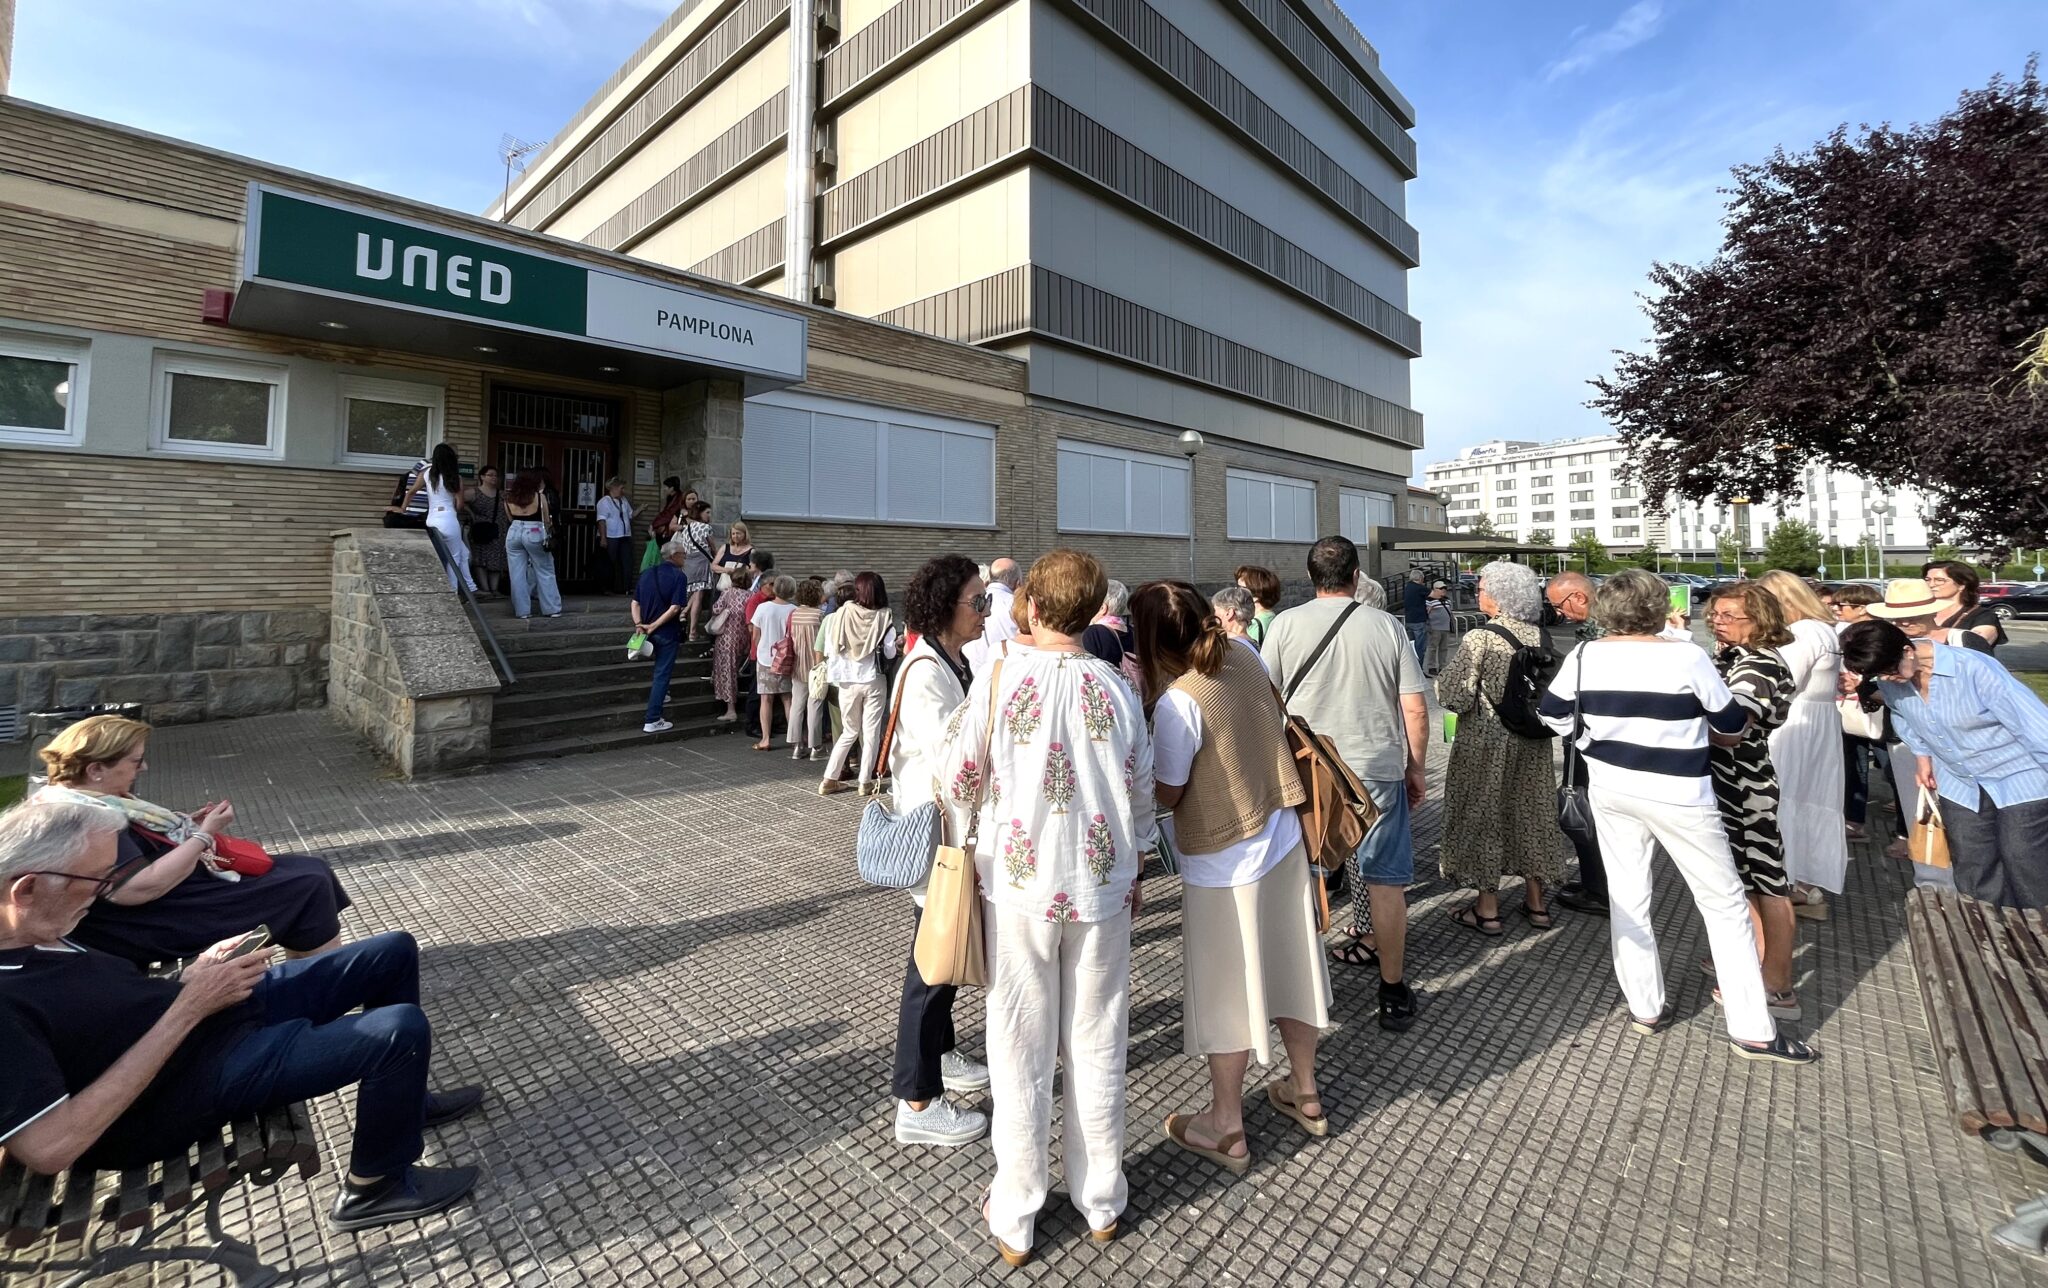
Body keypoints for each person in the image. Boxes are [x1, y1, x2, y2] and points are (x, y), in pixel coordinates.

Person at [0, 799, 485, 1231]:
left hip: (198, 1024)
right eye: (98, 880)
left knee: (392, 951)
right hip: (176, 1092)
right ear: (26, 889)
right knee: (397, 1031)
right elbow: (52, 1147)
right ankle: (375, 1186)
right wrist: (187, 1009)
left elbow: (107, 1010)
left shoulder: (39, 931)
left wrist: (190, 979)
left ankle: (407, 1107)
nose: (105, 892)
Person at [937, 550, 1155, 1265]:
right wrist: (1138, 859)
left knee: (1018, 1043)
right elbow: (1142, 787)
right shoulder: (1117, 685)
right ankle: (1102, 1198)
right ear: (1093, 610)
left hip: (1019, 881)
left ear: (1031, 606)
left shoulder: (1001, 675)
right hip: (1101, 880)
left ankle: (1018, 1208)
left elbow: (958, 777)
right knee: (1099, 1037)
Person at [1537, 569, 1815, 1065]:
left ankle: (1645, 1006)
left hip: (1613, 788)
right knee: (1723, 904)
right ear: (1657, 608)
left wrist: (1591, 743)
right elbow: (1730, 724)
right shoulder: (1686, 657)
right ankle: (1752, 1029)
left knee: (1628, 896)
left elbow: (1551, 714)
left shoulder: (1584, 655)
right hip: (1681, 792)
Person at [1132, 581, 1329, 1175]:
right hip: (1282, 831)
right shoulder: (1245, 652)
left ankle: (1226, 1124)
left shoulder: (1179, 701)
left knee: (1227, 991)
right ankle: (1306, 1090)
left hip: (1223, 856)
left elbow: (1170, 791)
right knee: (1294, 966)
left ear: (1151, 641)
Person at [1262, 536, 1426, 1033]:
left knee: (1303, 873)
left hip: (1311, 768)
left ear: (1311, 577)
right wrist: (1416, 767)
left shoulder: (1285, 624)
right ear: (1356, 576)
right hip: (1374, 764)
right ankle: (1392, 990)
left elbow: (1266, 700)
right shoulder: (1386, 626)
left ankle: (1297, 990)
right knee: (1384, 880)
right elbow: (1415, 707)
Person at [32, 716, 351, 964]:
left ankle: (314, 979)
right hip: (154, 922)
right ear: (96, 769)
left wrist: (186, 826)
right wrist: (203, 834)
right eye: (135, 761)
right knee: (307, 884)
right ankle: (325, 984)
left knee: (311, 871)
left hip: (169, 901)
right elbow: (136, 889)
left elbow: (140, 851)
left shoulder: (84, 800)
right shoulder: (85, 818)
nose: (144, 767)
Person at [886, 555, 992, 1148]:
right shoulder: (926, 671)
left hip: (953, 835)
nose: (985, 612)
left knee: (941, 958)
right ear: (945, 606)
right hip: (938, 839)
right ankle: (917, 1099)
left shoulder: (955, 659)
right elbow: (955, 762)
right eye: (977, 602)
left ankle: (943, 1053)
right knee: (931, 968)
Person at [1843, 620, 2048, 908]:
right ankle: (1988, 928)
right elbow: (1903, 716)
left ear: (1908, 650)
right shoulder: (1891, 681)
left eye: (1889, 671)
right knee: (1972, 863)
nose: (1887, 680)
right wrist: (1922, 757)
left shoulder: (1973, 668)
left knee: (2023, 857)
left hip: (2019, 777)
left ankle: (2037, 930)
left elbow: (2034, 725)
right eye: (1878, 675)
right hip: (1959, 781)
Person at [1435, 562, 1560, 935]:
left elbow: (1454, 695)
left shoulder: (1481, 638)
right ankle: (1536, 903)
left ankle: (1487, 909)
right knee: (1533, 814)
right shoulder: (1540, 635)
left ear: (1500, 597)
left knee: (1484, 813)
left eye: (1482, 588)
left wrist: (1441, 684)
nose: (1478, 593)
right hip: (1533, 742)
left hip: (1487, 741)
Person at [1703, 583, 1802, 1019]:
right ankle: (1753, 959)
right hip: (1730, 781)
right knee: (1744, 879)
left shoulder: (1758, 665)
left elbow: (1731, 729)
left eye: (1729, 615)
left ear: (1759, 620)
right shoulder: (1735, 658)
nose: (1717, 622)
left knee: (1765, 879)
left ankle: (1776, 982)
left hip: (1744, 784)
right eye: (1715, 614)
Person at [1757, 571, 1850, 921]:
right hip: (1817, 720)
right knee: (1811, 797)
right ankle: (1806, 880)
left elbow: (1782, 682)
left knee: (1786, 795)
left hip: (1796, 720)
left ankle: (1787, 879)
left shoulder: (1802, 633)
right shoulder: (1822, 629)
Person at [1545, 570, 1609, 915]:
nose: (1560, 614)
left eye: (1560, 606)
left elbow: (1562, 702)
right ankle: (1595, 884)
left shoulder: (1600, 635)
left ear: (1579, 597)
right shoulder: (1615, 621)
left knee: (1585, 811)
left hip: (1590, 738)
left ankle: (1599, 890)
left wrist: (1577, 734)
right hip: (1600, 738)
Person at [1831, 584, 1908, 854]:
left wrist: (1861, 686)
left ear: (1863, 608)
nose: (1836, 609)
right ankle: (1854, 822)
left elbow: (1891, 675)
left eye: (1842, 605)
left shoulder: (1884, 635)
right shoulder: (1843, 633)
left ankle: (1907, 832)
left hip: (1882, 714)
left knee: (1895, 772)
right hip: (1850, 710)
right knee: (1854, 768)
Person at [819, 572, 897, 796]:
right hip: (873, 678)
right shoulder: (884, 616)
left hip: (846, 679)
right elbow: (890, 652)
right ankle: (865, 782)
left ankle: (829, 779)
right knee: (871, 732)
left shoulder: (842, 613)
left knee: (849, 731)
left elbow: (831, 648)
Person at [630, 538, 694, 735]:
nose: (685, 558)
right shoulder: (679, 576)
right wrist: (655, 625)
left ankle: (663, 695)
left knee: (659, 672)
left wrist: (639, 624)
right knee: (662, 674)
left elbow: (635, 603)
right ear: (674, 556)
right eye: (683, 554)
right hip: (666, 632)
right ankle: (653, 719)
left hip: (645, 632)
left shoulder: (647, 573)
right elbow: (675, 608)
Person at [397, 444, 476, 594]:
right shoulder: (455, 478)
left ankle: (470, 586)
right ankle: (453, 592)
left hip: (432, 518)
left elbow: (411, 492)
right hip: (448, 518)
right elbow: (460, 505)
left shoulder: (426, 474)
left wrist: (403, 509)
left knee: (461, 553)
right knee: (454, 557)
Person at [1866, 578, 1994, 654]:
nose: (1905, 623)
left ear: (1933, 613)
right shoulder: (1887, 642)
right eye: (1898, 618)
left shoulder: (1964, 640)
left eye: (1913, 617)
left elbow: (1990, 678)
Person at [502, 469, 562, 620]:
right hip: (534, 530)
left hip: (514, 531)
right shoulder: (539, 497)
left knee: (516, 574)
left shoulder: (508, 497)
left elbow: (510, 518)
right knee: (545, 570)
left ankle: (522, 611)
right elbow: (546, 520)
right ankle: (551, 609)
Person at [748, 575, 798, 751]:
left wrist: (761, 647)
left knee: (766, 699)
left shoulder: (763, 608)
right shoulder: (794, 610)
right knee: (788, 698)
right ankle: (794, 739)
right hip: (787, 659)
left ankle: (766, 739)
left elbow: (755, 635)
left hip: (765, 658)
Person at [1923, 560, 2006, 651]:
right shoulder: (1919, 613)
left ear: (1961, 585)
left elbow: (1976, 645)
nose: (1931, 585)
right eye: (1927, 580)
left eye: (1939, 580)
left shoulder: (1982, 615)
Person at [787, 579, 826, 761]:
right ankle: (815, 747)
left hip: (797, 664)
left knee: (797, 705)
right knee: (814, 705)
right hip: (817, 665)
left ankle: (796, 746)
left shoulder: (793, 614)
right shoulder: (819, 615)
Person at [708, 568, 753, 726]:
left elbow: (716, 609)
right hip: (743, 638)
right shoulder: (750, 595)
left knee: (727, 671)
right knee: (735, 669)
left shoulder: (727, 593)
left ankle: (730, 709)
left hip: (726, 637)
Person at [963, 558, 1020, 675]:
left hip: (971, 673)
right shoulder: (1017, 605)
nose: (987, 613)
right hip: (1006, 675)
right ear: (1017, 583)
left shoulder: (969, 603)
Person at [676, 500, 717, 641]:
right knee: (698, 596)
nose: (709, 515)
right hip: (702, 562)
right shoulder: (706, 528)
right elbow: (713, 547)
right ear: (700, 513)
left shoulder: (686, 529)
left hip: (688, 563)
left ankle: (684, 613)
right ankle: (693, 632)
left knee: (692, 593)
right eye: (707, 512)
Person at [464, 465, 507, 597]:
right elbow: (458, 500)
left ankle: (495, 589)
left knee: (496, 559)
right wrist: (470, 513)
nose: (494, 478)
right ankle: (485, 589)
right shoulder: (474, 492)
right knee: (480, 559)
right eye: (490, 475)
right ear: (482, 477)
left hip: (499, 531)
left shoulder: (502, 494)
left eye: (496, 475)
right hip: (481, 530)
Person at [596, 478, 635, 595]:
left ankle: (626, 587)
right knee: (609, 562)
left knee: (626, 561)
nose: (623, 491)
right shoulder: (604, 502)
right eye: (621, 488)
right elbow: (601, 520)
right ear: (613, 488)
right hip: (611, 536)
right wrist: (603, 538)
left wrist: (641, 509)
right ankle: (607, 588)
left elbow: (630, 515)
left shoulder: (623, 500)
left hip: (624, 535)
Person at [1234, 565, 1282, 647]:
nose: (1236, 591)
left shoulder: (1256, 624)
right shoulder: (1270, 617)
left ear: (1256, 595)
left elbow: (1244, 650)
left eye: (1241, 588)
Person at [1210, 586, 1262, 658]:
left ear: (1229, 613)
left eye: (1215, 610)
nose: (1213, 615)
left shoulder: (1230, 646)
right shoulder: (1254, 645)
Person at [1400, 568, 1430, 668]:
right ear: (1420, 578)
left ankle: (1410, 668)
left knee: (1410, 646)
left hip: (1409, 619)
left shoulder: (1408, 587)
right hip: (1419, 620)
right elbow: (1433, 595)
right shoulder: (1419, 588)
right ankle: (1419, 669)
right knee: (1420, 647)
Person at [1424, 581, 1456, 676]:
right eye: (1441, 588)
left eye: (1445, 588)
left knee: (1444, 648)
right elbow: (1426, 613)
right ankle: (1431, 666)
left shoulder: (1447, 601)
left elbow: (1450, 613)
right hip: (1435, 628)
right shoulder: (1429, 601)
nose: (1444, 590)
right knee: (1433, 648)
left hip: (1445, 627)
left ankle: (1443, 666)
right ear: (1435, 589)